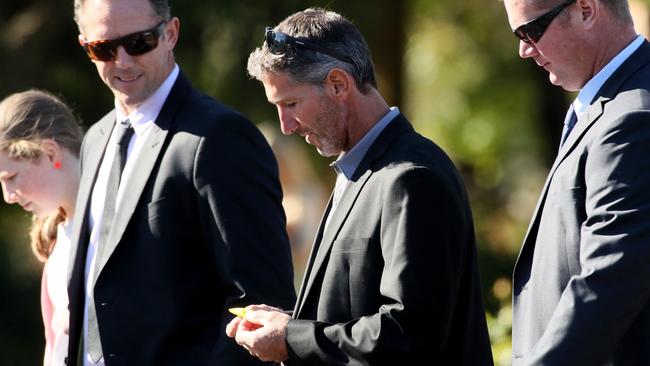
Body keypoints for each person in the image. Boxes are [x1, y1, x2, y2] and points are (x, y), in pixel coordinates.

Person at [226, 8, 494, 365]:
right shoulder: (360, 171)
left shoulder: (412, 177)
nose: (286, 125)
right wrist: (285, 324)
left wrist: (292, 338)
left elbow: (410, 335)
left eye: (290, 104)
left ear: (338, 84)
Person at [67, 0, 296, 365]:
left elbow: (260, 300)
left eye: (139, 42)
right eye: (104, 49)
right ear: (85, 46)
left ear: (170, 33)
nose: (122, 61)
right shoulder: (96, 139)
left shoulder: (220, 137)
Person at [503, 0, 650, 364]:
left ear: (586, 9)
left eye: (531, 31)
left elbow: (611, 279)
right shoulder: (610, 105)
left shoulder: (632, 116)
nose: (524, 49)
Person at [0, 90, 83, 366]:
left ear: (50, 152)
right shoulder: (56, 241)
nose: (8, 195)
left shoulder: (113, 225)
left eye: (11, 177)